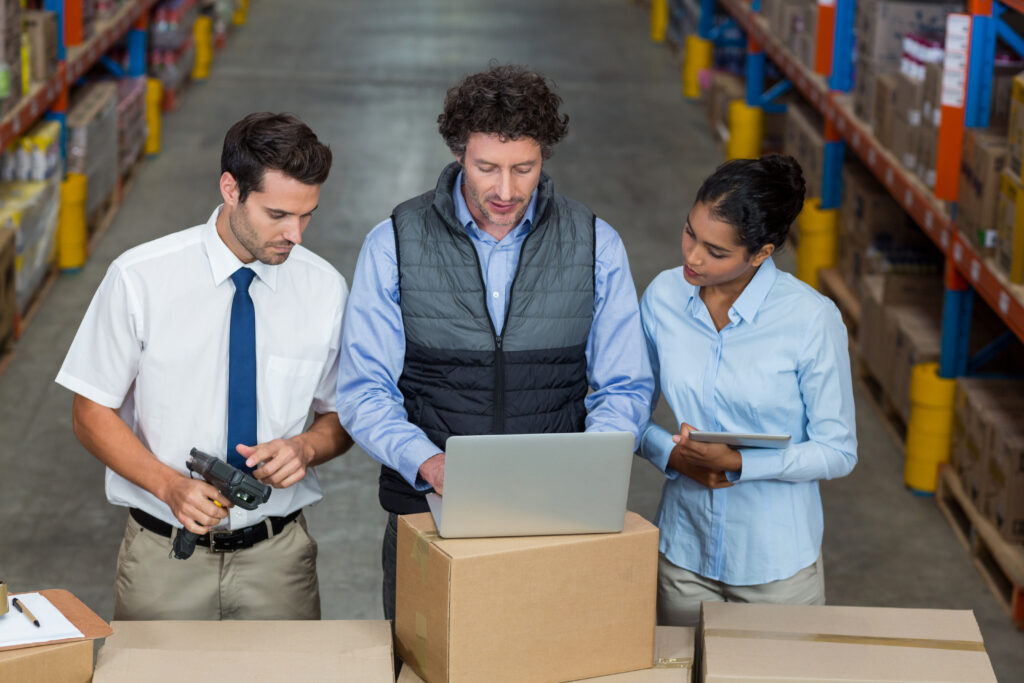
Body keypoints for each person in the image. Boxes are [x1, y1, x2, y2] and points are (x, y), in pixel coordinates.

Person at [336, 64, 654, 624]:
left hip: (557, 517)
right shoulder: (394, 243)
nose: (506, 191)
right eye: (487, 168)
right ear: (459, 153)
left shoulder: (595, 244)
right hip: (429, 515)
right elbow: (365, 391)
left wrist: (586, 464)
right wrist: (428, 463)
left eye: (522, 169)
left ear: (544, 158)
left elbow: (626, 384)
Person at [55, 112, 352, 621]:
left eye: (307, 216)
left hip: (278, 560)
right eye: (277, 214)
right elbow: (90, 412)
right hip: (163, 558)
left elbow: (342, 415)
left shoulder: (323, 288)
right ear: (231, 188)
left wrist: (305, 447)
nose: (295, 235)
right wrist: (169, 486)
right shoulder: (140, 278)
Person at [639, 155, 857, 627]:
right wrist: (668, 454)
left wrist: (741, 463)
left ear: (761, 252)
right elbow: (627, 403)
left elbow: (837, 451)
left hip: (776, 572)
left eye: (716, 253)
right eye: (690, 232)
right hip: (683, 556)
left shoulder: (810, 320)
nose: (692, 257)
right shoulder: (663, 297)